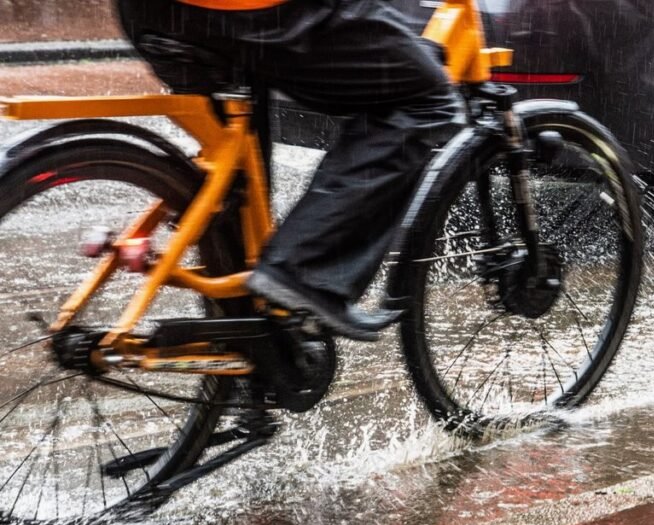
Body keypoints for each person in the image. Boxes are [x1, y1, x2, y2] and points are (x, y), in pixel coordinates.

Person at [116, 0, 462, 340]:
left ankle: (252, 356)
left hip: (150, 13)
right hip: (253, 12)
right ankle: (303, 273)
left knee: (233, 182)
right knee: (423, 100)